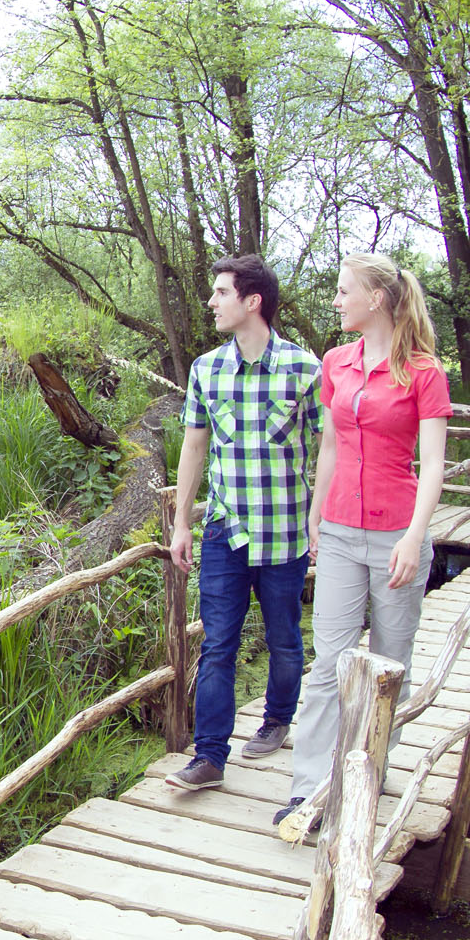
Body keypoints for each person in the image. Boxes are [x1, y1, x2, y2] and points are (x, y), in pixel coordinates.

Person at [271, 253, 452, 828]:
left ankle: (369, 776)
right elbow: (330, 445)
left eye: (344, 291)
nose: (336, 300)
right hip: (343, 531)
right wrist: (316, 516)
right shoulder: (336, 363)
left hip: (398, 533)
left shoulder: (424, 373)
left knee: (387, 665)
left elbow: (433, 465)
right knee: (330, 662)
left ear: (376, 298)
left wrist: (415, 536)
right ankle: (309, 791)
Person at [166, 256, 322, 792]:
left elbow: (334, 449)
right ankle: (209, 756)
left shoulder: (306, 369)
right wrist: (182, 522)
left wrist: (322, 520)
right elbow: (193, 446)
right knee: (218, 645)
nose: (211, 302)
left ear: (252, 301)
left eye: (220, 292)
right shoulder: (206, 369)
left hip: (285, 533)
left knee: (284, 639)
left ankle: (278, 718)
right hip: (225, 532)